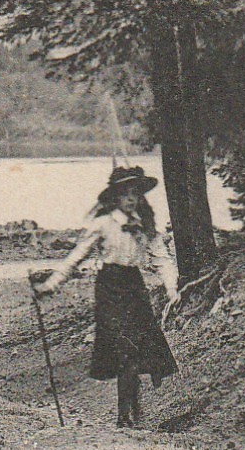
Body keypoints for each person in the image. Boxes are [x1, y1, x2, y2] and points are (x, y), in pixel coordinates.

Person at [31, 166, 179, 428]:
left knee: (134, 350)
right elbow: (77, 257)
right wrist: (50, 285)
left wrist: (171, 288)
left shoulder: (145, 226)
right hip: (109, 289)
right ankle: (126, 415)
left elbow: (162, 259)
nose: (131, 198)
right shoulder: (102, 224)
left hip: (134, 288)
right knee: (123, 349)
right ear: (115, 197)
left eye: (135, 193)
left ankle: (131, 410)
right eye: (125, 193)